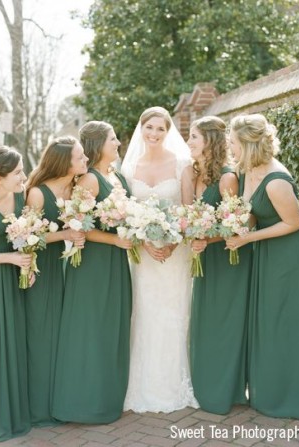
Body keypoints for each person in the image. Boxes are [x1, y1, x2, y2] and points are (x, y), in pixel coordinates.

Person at [225, 114, 299, 422]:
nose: (230, 148)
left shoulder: (276, 181)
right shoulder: (245, 170)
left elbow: (293, 223)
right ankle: (266, 391)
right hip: (266, 250)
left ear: (248, 145)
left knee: (284, 319)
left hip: (288, 253)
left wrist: (248, 238)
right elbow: (252, 212)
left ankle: (292, 394)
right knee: (266, 318)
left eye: (233, 143)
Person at [51, 121, 134, 423]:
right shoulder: (89, 180)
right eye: (113, 139)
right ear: (99, 144)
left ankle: (107, 397)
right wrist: (115, 238)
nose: (118, 143)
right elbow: (76, 224)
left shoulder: (118, 177)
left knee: (112, 326)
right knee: (90, 329)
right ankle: (82, 403)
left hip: (116, 262)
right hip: (92, 264)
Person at [120, 106, 198, 413]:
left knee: (175, 314)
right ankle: (142, 386)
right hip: (143, 257)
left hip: (174, 255)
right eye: (149, 128)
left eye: (160, 129)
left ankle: (176, 384)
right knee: (145, 314)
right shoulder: (129, 169)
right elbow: (124, 213)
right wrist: (142, 240)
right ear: (141, 129)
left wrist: (173, 244)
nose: (153, 134)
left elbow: (189, 213)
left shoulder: (182, 164)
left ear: (168, 132)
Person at [186, 116, 252, 414]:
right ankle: (204, 386)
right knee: (204, 322)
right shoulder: (192, 173)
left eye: (194, 138)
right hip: (203, 257)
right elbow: (187, 215)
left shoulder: (228, 177)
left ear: (209, 142)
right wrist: (194, 236)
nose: (189, 142)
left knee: (223, 322)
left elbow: (235, 225)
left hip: (226, 258)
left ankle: (226, 391)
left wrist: (206, 240)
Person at [24, 136, 88, 426]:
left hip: (77, 271)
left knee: (68, 337)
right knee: (44, 337)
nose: (85, 159)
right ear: (65, 162)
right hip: (47, 269)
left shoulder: (80, 188)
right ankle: (40, 407)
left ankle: (66, 399)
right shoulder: (38, 193)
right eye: (80, 156)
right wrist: (65, 235)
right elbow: (27, 238)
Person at [0, 146, 32, 441]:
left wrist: (28, 258)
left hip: (12, 280)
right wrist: (10, 259)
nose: (24, 177)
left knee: (11, 343)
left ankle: (11, 413)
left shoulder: (20, 195)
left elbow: (26, 234)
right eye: (17, 173)